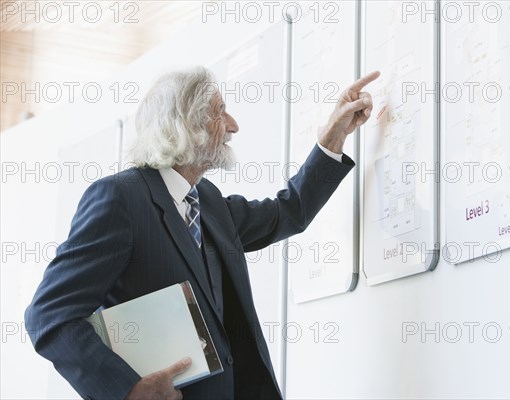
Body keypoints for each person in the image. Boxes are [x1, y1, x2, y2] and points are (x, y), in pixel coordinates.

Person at [24, 66, 380, 399]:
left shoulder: (206, 201)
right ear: (185, 123)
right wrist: (127, 390)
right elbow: (49, 316)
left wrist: (333, 137)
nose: (233, 125)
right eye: (219, 111)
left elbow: (287, 213)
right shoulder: (120, 199)